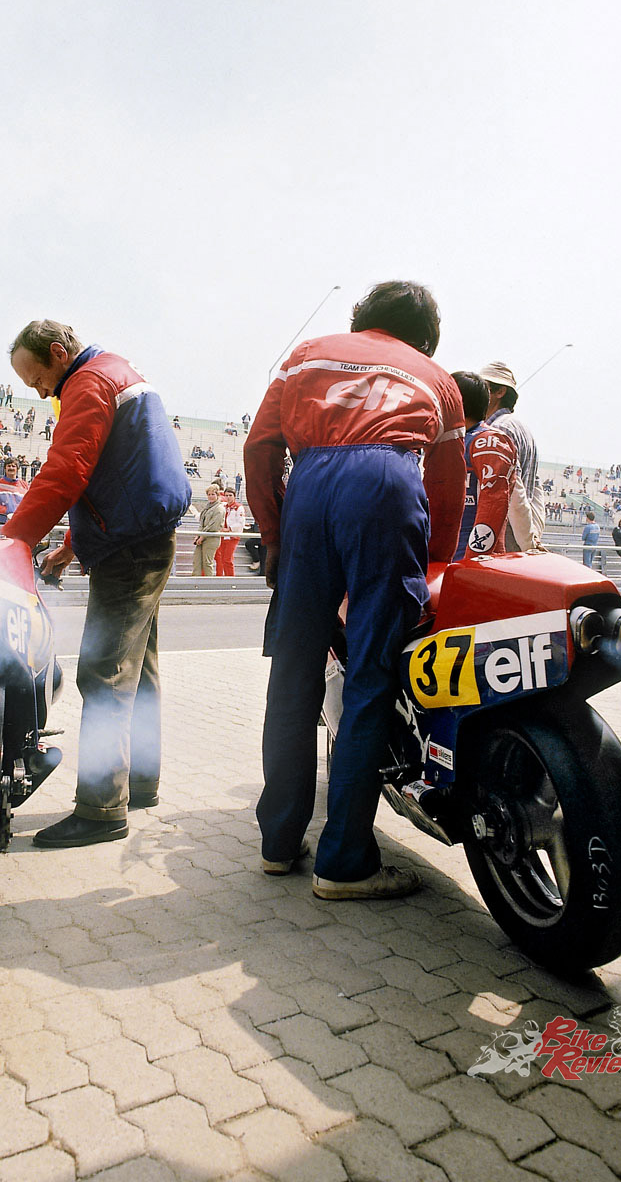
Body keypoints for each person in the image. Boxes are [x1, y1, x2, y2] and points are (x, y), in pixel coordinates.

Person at [244, 280, 465, 900]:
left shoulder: (307, 352)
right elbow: (448, 488)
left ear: (361, 316)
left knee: (293, 675)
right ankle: (343, 864)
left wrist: (274, 533)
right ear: (427, 337)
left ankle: (278, 845)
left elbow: (260, 448)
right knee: (372, 677)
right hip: (387, 487)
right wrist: (436, 565)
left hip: (309, 488)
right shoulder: (438, 379)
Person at [0, 319, 191, 848]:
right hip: (144, 536)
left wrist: (14, 541)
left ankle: (102, 810)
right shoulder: (116, 372)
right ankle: (141, 783)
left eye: (38, 379)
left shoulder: (87, 383)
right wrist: (70, 546)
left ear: (58, 353)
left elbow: (67, 469)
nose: (40, 393)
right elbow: (118, 474)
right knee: (139, 671)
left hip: (129, 548)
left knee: (103, 673)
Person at [451, 372, 523, 559]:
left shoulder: (488, 440)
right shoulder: (453, 438)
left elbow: (493, 504)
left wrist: (472, 560)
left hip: (469, 558)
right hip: (443, 554)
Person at [477, 362, 545, 550]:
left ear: (500, 392)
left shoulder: (499, 429)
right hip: (518, 533)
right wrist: (531, 536)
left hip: (501, 534)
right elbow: (535, 488)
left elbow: (513, 489)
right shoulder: (521, 428)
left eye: (483, 387)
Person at [191, 485, 225, 576]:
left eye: (213, 494)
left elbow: (213, 526)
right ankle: (195, 581)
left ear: (217, 495)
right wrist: (198, 535)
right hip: (202, 536)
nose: (210, 496)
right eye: (209, 494)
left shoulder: (219, 508)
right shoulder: (208, 507)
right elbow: (202, 522)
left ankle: (208, 582)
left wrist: (202, 537)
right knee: (197, 561)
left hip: (212, 538)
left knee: (207, 563)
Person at [216, 485, 246, 576]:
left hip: (232, 536)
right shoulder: (223, 506)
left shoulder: (238, 507)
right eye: (226, 495)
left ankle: (230, 578)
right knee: (221, 558)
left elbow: (241, 523)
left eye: (230, 495)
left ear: (234, 496)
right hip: (222, 536)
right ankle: (222, 577)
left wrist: (229, 529)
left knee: (227, 559)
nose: (228, 497)